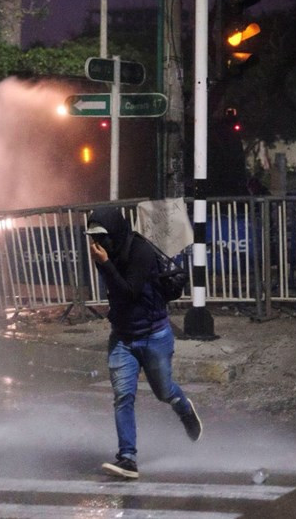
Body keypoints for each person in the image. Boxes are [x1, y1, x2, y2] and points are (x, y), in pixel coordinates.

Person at [85, 206, 202, 480]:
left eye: (102, 236)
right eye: (93, 237)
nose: (97, 243)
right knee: (123, 397)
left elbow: (128, 291)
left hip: (153, 335)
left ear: (115, 231)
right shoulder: (105, 254)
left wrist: (105, 264)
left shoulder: (141, 252)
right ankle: (127, 458)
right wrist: (105, 262)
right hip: (123, 337)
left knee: (163, 392)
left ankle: (184, 408)